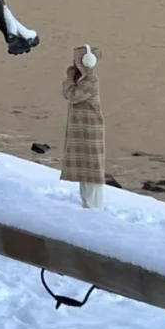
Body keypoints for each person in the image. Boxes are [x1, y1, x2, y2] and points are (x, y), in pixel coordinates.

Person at [60, 46, 105, 208]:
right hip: (83, 129)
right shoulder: (82, 80)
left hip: (90, 130)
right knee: (84, 168)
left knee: (91, 168)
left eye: (76, 60)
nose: (73, 63)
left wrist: (69, 77)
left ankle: (94, 205)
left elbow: (71, 95)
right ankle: (87, 202)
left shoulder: (89, 81)